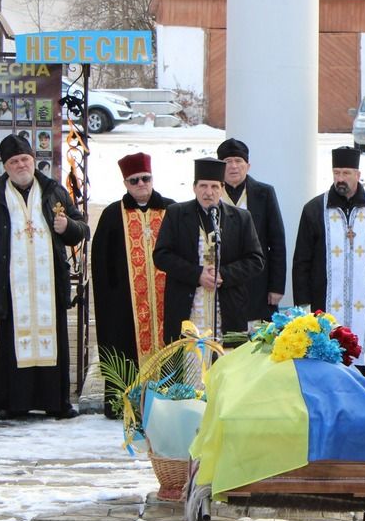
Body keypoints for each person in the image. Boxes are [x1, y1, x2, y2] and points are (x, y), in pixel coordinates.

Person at [0, 134, 89, 420]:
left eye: (25, 159)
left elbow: (82, 228)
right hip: (11, 288)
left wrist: (67, 226)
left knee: (53, 342)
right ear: (5, 167)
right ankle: (12, 403)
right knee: (11, 345)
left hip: (49, 285)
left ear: (34, 161)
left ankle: (56, 402)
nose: (21, 165)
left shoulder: (54, 191)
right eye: (14, 161)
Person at [292, 146, 365, 391]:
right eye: (337, 172)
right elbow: (302, 258)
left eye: (346, 173)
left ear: (358, 174)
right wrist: (303, 299)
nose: (341, 178)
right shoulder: (314, 208)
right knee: (325, 342)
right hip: (325, 295)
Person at [91, 152, 175, 417]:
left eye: (145, 179)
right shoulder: (112, 214)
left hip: (166, 299)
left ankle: (168, 403)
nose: (141, 184)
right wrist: (111, 299)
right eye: (134, 180)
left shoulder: (172, 210)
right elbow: (100, 262)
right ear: (125, 183)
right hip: (125, 304)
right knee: (124, 349)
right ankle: (124, 405)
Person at [153, 158, 265, 342]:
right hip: (187, 306)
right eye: (203, 186)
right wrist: (196, 274)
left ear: (222, 188)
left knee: (226, 364)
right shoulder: (176, 214)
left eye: (214, 186)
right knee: (190, 363)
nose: (208, 192)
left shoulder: (241, 218)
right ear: (194, 187)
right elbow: (161, 255)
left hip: (228, 306)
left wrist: (223, 274)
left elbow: (255, 259)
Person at [216, 138, 286, 322]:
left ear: (248, 165)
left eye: (238, 161)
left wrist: (277, 287)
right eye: (227, 162)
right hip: (222, 280)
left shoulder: (264, 193)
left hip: (258, 282)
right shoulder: (210, 193)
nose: (233, 167)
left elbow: (277, 242)